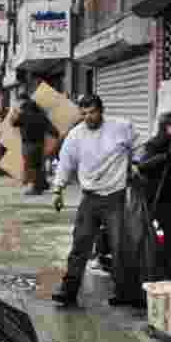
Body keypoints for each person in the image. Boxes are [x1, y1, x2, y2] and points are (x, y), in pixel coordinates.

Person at [51, 94, 140, 307]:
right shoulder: (75, 136)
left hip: (115, 197)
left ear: (101, 110)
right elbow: (65, 163)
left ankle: (124, 293)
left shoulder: (121, 127)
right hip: (90, 198)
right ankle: (68, 291)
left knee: (120, 246)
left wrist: (135, 162)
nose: (88, 117)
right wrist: (58, 190)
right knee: (80, 245)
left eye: (92, 112)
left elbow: (139, 144)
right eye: (84, 114)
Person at [135, 113, 171, 280]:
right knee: (147, 233)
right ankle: (146, 268)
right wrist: (163, 158)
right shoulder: (154, 145)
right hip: (150, 195)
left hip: (165, 195)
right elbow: (142, 167)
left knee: (170, 235)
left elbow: (170, 176)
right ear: (166, 127)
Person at [9, 93, 59, 195]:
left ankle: (35, 189)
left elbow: (13, 123)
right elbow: (53, 131)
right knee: (39, 166)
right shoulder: (41, 115)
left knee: (32, 167)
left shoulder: (23, 115)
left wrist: (13, 112)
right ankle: (43, 184)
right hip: (40, 144)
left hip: (28, 144)